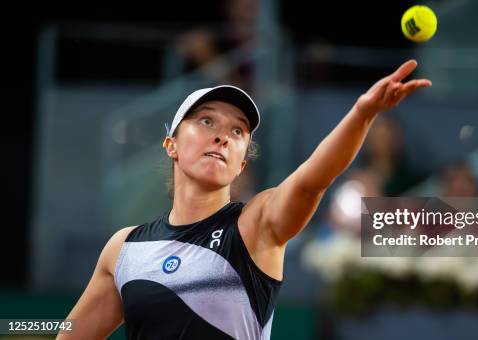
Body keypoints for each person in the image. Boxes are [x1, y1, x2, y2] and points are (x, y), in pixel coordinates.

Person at [58, 60, 431, 339]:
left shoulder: (255, 226)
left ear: (240, 165)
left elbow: (311, 182)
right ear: (171, 144)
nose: (222, 136)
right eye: (206, 121)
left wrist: (362, 114)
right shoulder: (123, 249)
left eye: (237, 131)